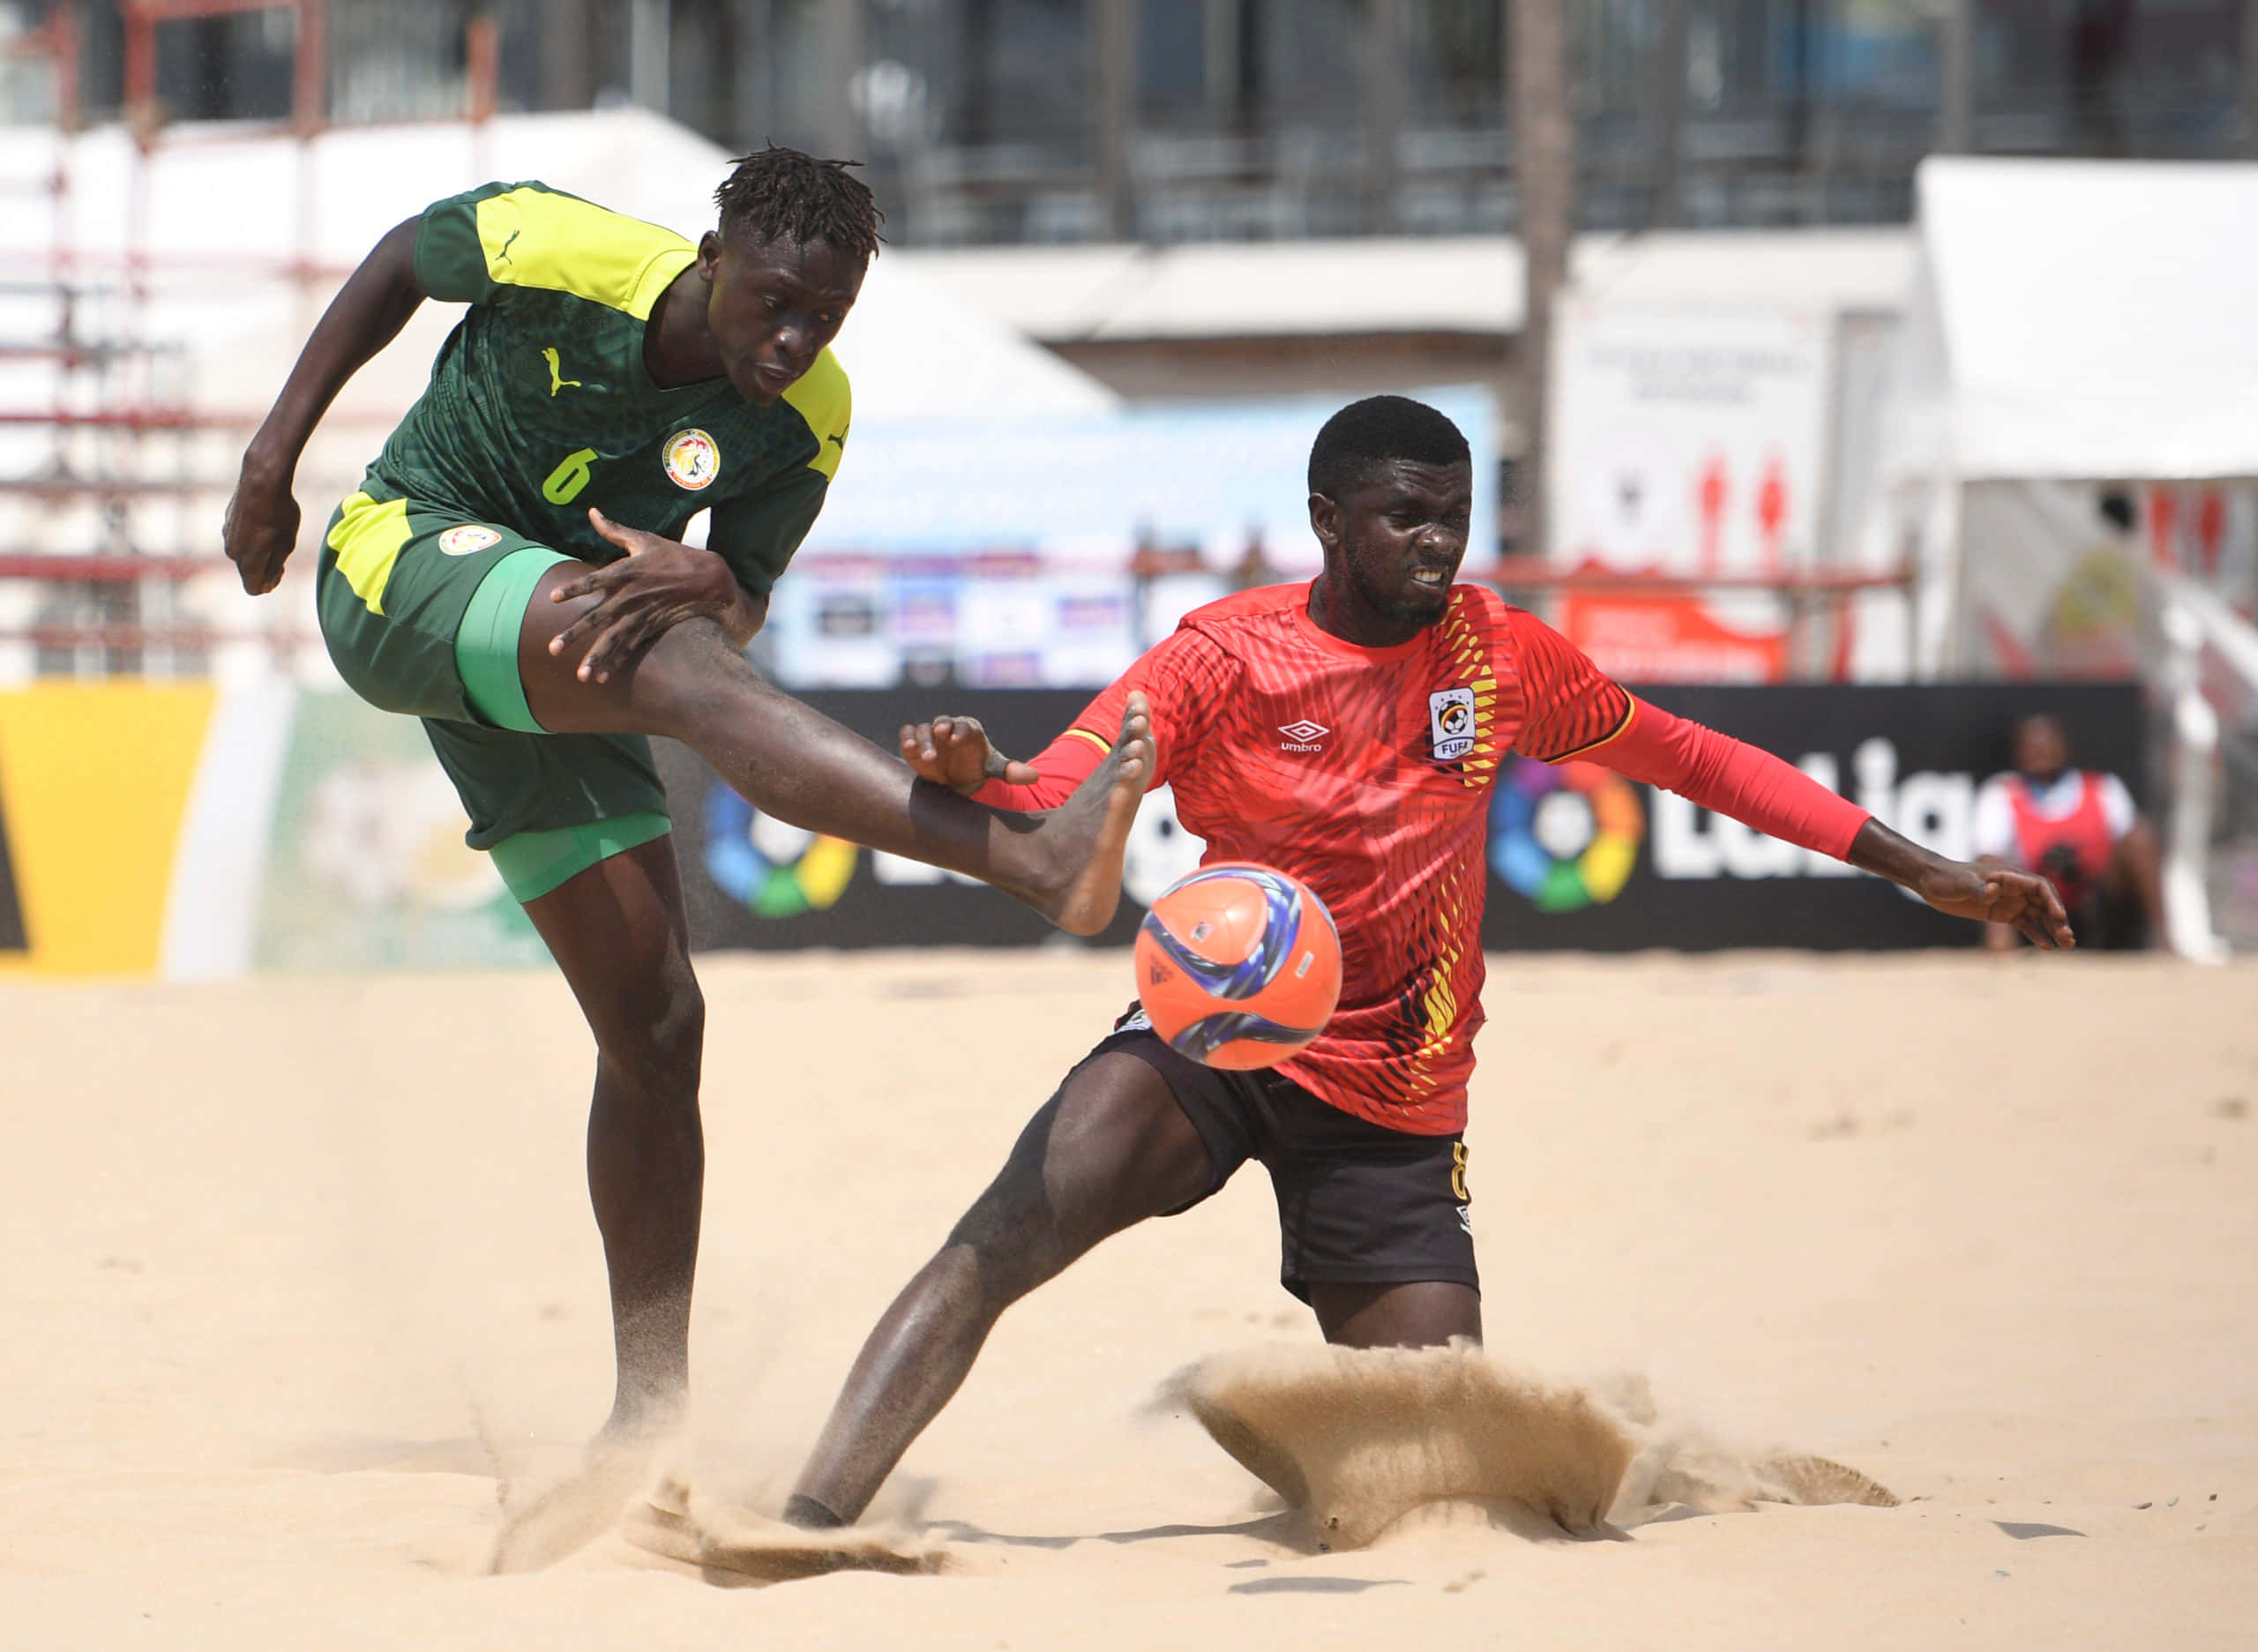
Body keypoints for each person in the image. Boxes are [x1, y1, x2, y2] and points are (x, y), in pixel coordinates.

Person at [781, 395, 2071, 1530]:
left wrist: (1918, 866)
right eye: (1407, 516)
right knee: (1001, 1234)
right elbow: (1066, 777)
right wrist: (982, 773)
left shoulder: (1499, 656)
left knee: (1460, 1478)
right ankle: (805, 1515)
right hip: (1216, 1035)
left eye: (1454, 517)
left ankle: (1311, 1431)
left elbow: (1696, 758)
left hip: (1395, 1098)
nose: (1437, 543)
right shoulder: (1224, 656)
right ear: (1328, 519)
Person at [221, 149, 1150, 1441]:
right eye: (772, 300)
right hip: (404, 562)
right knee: (678, 669)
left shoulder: (809, 412)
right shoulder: (562, 248)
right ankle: (1027, 857)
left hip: (564, 639)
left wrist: (722, 588)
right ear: (712, 259)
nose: (792, 336)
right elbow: (396, 262)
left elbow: (745, 595)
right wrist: (274, 459)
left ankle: (646, 1422)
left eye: (823, 316)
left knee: (658, 1033)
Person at [1973, 713, 2165, 950]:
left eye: (2047, 745)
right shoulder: (2000, 794)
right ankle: (2001, 950)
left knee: (2140, 837)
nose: (2041, 753)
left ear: (2064, 747)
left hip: (2095, 897)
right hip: (2034, 902)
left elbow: (2129, 845)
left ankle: (2164, 939)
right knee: (1991, 865)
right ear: (2018, 752)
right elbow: (1987, 856)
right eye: (2032, 747)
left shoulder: (2104, 788)